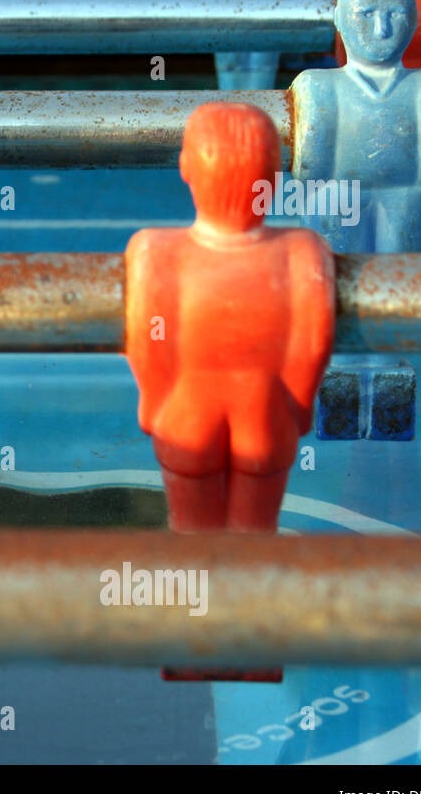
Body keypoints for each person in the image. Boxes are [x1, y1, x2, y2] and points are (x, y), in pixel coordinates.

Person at [125, 102, 335, 535]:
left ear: (187, 167)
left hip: (186, 415)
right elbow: (312, 342)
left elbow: (148, 342)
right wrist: (295, 410)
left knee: (191, 533)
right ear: (275, 176)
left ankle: (195, 599)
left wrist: (152, 406)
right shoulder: (304, 250)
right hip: (264, 416)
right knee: (256, 535)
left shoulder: (154, 252)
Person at [293, 0, 421, 254]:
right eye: (366, 14)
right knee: (338, 281)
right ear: (339, 18)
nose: (382, 29)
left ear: (415, 19)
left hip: (408, 205)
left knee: (403, 286)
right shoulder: (317, 89)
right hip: (336, 206)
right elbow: (312, 169)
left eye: (395, 13)